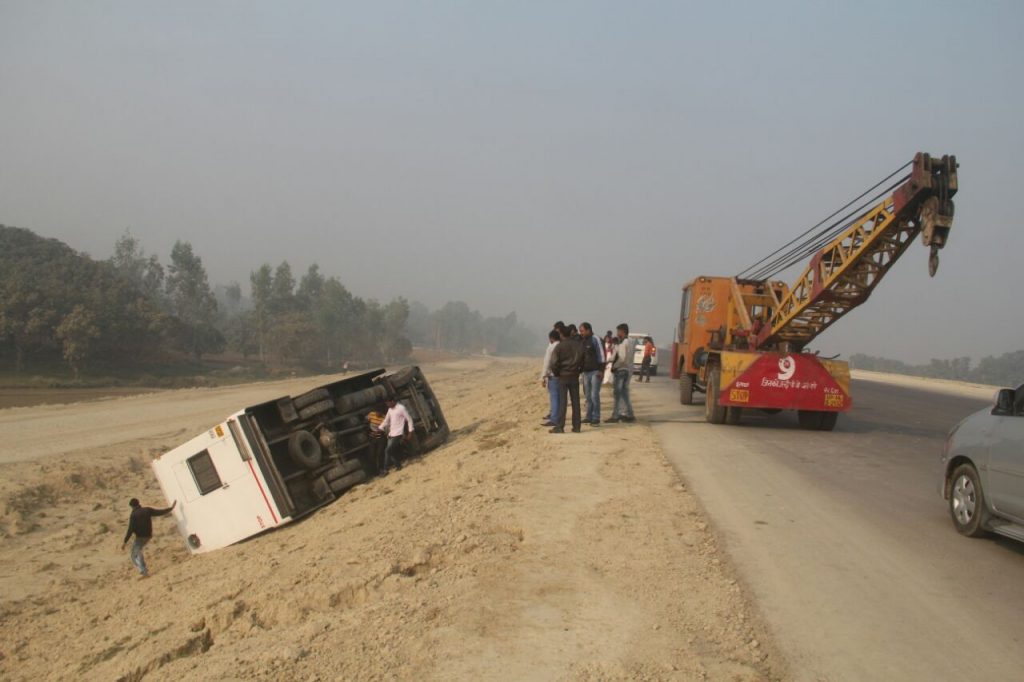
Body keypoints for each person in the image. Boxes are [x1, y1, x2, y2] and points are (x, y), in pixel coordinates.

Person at [121, 497, 176, 578]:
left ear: (132, 506)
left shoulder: (133, 515)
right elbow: (159, 512)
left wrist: (125, 542)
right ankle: (143, 570)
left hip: (140, 537)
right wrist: (170, 508)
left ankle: (143, 571)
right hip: (148, 536)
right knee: (137, 552)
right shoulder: (147, 510)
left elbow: (130, 529)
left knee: (134, 555)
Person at [548, 325, 583, 433]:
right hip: (574, 375)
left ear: (561, 334)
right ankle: (577, 426)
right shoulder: (578, 345)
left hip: (563, 376)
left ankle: (560, 426)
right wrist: (578, 370)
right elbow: (583, 360)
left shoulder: (559, 347)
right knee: (576, 402)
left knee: (563, 402)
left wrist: (557, 373)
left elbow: (553, 363)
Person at [375, 396, 414, 474]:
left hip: (398, 433)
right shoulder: (390, 410)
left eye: (388, 403)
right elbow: (386, 420)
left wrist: (410, 432)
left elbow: (409, 419)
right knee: (390, 452)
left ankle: (385, 470)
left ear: (392, 401)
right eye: (386, 403)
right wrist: (380, 428)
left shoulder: (401, 408)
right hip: (391, 434)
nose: (387, 405)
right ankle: (398, 466)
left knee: (387, 451)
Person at [607, 323, 636, 423]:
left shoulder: (624, 343)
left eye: (618, 331)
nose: (617, 333)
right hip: (627, 370)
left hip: (621, 370)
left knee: (617, 394)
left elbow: (622, 358)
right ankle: (629, 414)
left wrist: (614, 366)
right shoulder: (630, 342)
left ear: (622, 332)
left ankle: (616, 415)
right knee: (624, 394)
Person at [578, 322, 605, 426]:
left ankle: (596, 418)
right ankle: (588, 417)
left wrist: (601, 370)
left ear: (588, 330)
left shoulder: (595, 339)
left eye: (582, 331)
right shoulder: (583, 341)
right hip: (586, 372)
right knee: (588, 396)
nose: (581, 333)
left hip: (595, 372)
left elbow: (601, 355)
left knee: (594, 395)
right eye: (580, 331)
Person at [540, 329, 561, 427]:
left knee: (554, 397)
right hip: (562, 375)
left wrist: (543, 376)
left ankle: (554, 418)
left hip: (553, 375)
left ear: (551, 338)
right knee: (560, 397)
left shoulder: (551, 347)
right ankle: (559, 416)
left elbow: (547, 362)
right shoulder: (562, 345)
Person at [366, 403, 387, 473]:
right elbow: (366, 420)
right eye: (377, 412)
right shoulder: (371, 414)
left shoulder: (384, 418)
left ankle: (381, 468)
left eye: (380, 412)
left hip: (381, 437)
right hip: (372, 437)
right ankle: (375, 470)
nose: (378, 414)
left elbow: (385, 429)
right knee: (371, 454)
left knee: (380, 453)